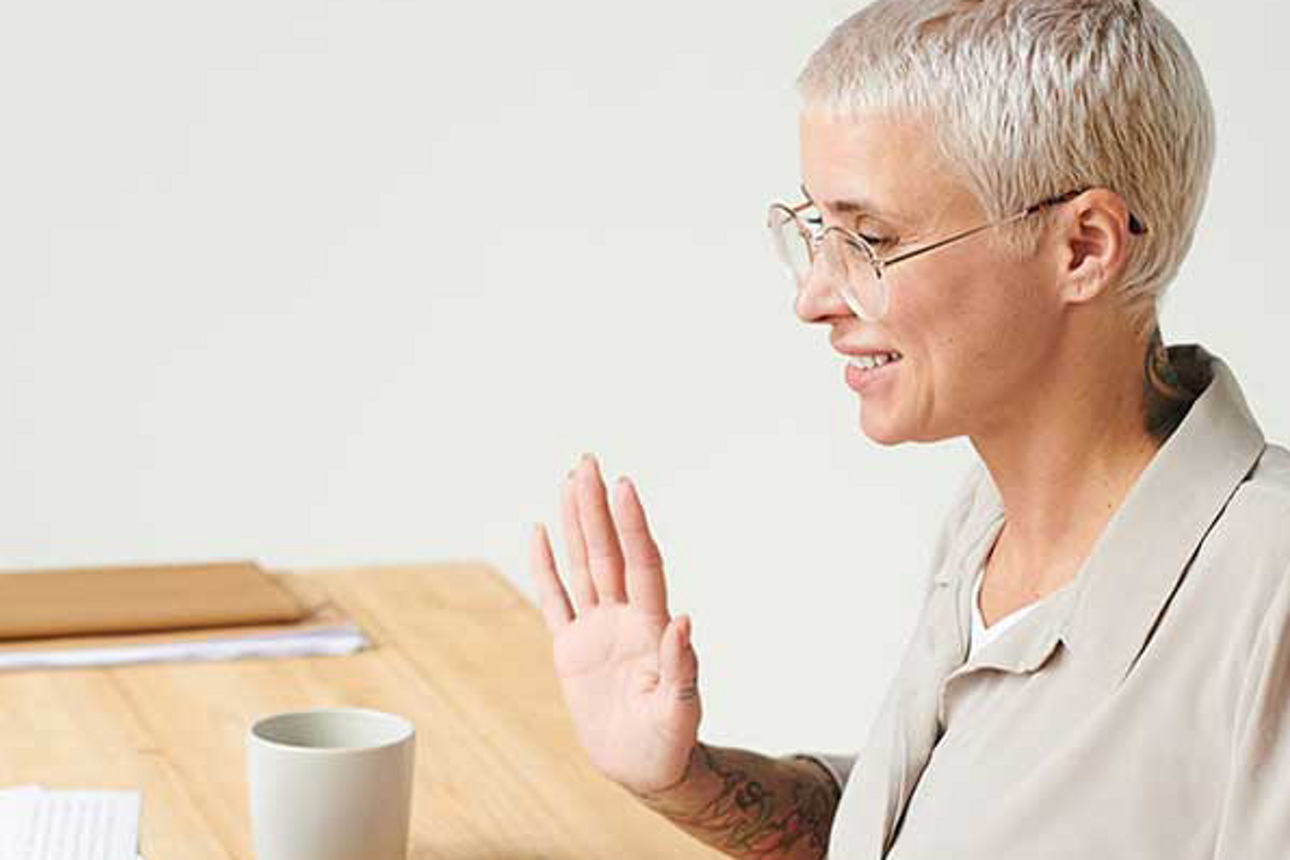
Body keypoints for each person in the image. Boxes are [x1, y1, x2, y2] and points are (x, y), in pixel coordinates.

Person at [528, 1, 1290, 857]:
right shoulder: (990, 526)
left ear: (1082, 247)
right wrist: (683, 779)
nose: (813, 297)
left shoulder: (1268, 594)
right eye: (818, 231)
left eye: (872, 238)